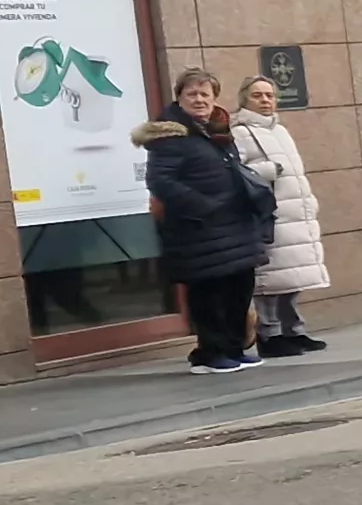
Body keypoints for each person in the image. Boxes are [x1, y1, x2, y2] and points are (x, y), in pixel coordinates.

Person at [135, 69, 273, 374]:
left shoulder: (217, 130)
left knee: (239, 287)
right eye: (192, 94)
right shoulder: (169, 137)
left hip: (235, 225)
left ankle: (235, 347)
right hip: (198, 229)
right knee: (209, 293)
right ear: (180, 98)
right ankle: (211, 353)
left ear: (214, 99)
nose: (199, 100)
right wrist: (202, 206)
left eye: (205, 94)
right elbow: (160, 181)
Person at [233, 75, 329, 356]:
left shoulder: (280, 130)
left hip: (293, 214)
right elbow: (234, 171)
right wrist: (267, 170)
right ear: (245, 99)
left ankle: (293, 330)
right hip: (269, 216)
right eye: (258, 95)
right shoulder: (240, 132)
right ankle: (269, 334)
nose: (265, 100)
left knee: (293, 277)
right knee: (270, 280)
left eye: (270, 95)